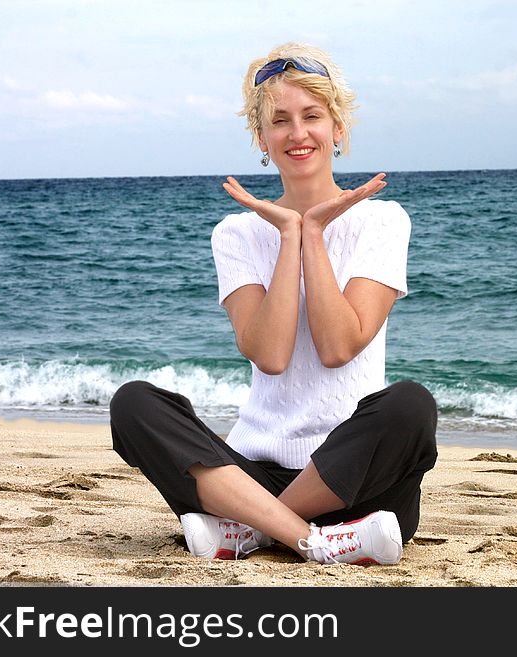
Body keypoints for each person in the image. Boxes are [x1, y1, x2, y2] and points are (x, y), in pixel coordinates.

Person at [110, 42, 437, 566]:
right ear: (262, 138)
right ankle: (312, 540)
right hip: (251, 471)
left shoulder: (383, 220)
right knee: (134, 404)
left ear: (339, 129)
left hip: (358, 482)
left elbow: (339, 347)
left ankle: (253, 531)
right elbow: (271, 354)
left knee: (409, 405)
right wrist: (288, 235)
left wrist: (314, 235)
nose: (297, 133)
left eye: (312, 116)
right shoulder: (236, 233)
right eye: (279, 121)